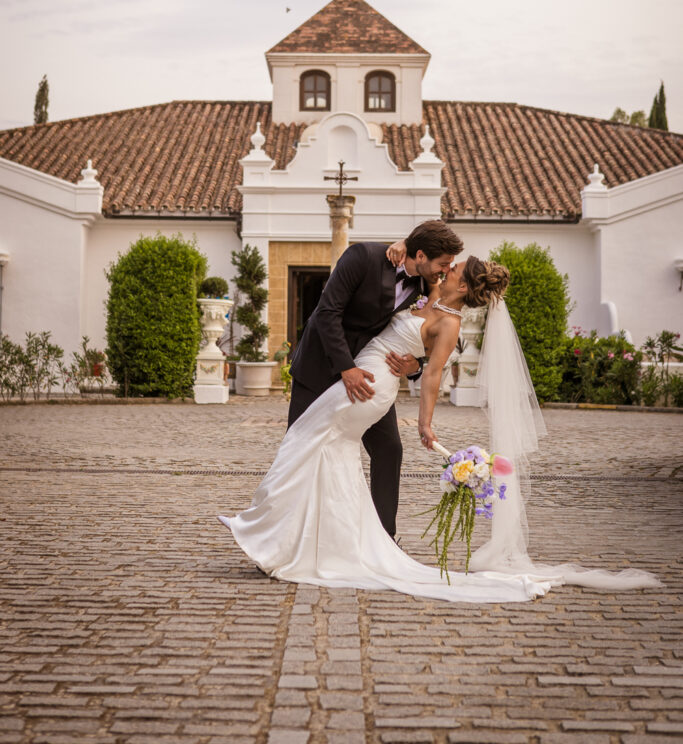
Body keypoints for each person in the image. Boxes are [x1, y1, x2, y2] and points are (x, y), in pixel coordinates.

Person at [217, 254, 661, 602]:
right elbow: (407, 262)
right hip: (361, 377)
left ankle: (277, 534)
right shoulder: (425, 291)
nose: (447, 269)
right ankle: (315, 540)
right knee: (321, 452)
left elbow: (432, 374)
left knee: (311, 444)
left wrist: (425, 421)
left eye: (455, 268)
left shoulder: (449, 322)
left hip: (371, 388)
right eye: (446, 264)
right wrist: (397, 248)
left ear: (462, 284)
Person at [287, 219, 463, 539]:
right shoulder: (362, 258)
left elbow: (423, 336)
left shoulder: (425, 285)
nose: (445, 270)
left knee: (389, 449)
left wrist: (416, 365)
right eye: (442, 264)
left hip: (370, 373)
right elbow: (327, 312)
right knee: (298, 449)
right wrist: (346, 368)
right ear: (420, 255)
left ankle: (383, 538)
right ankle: (282, 537)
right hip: (320, 367)